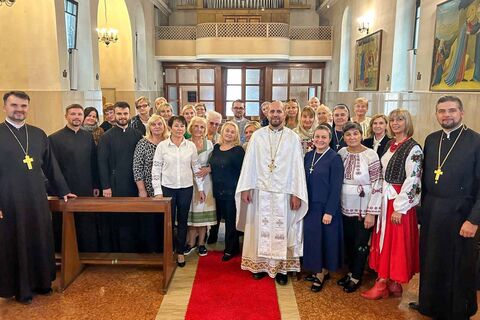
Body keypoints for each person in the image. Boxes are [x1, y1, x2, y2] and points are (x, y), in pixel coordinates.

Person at [0, 91, 75, 304]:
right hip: (8, 200)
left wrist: (62, 190)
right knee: (16, 242)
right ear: (5, 106)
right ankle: (20, 288)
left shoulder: (38, 134)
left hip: (36, 198)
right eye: (14, 105)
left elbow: (51, 166)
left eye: (23, 106)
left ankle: (42, 283)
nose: (19, 110)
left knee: (40, 238)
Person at [412, 96, 480, 319]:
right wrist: (421, 211)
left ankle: (459, 309)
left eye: (451, 110)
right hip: (433, 211)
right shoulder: (432, 140)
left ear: (461, 113)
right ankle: (430, 305)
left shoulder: (476, 142)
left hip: (461, 213)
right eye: (441, 111)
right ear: (436, 114)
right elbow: (423, 180)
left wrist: (474, 220)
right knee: (432, 260)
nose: (446, 115)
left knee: (459, 263)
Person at [235, 100, 308, 285]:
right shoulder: (257, 136)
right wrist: (246, 188)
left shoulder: (293, 138)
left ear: (285, 114)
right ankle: (259, 266)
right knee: (260, 228)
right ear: (267, 114)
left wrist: (296, 193)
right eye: (272, 111)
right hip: (261, 192)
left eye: (279, 111)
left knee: (282, 230)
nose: (275, 114)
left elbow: (297, 167)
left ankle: (281, 269)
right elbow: (249, 164)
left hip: (284, 194)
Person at [362, 108, 422, 300]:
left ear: (407, 122)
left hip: (398, 201)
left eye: (400, 120)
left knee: (395, 241)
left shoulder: (413, 148)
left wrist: (400, 207)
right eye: (393, 120)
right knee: (385, 239)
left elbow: (413, 179)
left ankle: (383, 283)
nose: (395, 123)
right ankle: (391, 283)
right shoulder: (390, 143)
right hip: (385, 198)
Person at [152, 115, 205, 267]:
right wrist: (157, 191)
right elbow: (156, 169)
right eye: (176, 125)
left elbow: (196, 167)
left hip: (185, 188)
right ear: (170, 127)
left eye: (182, 126)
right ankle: (169, 251)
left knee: (182, 221)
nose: (179, 129)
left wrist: (200, 188)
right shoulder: (162, 146)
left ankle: (180, 252)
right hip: (167, 188)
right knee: (168, 221)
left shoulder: (190, 146)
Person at [336, 122, 382, 293]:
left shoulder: (371, 155)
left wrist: (372, 212)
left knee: (361, 243)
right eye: (348, 135)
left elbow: (378, 183)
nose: (352, 137)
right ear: (344, 137)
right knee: (348, 242)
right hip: (344, 206)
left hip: (363, 207)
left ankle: (356, 276)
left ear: (361, 135)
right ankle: (350, 272)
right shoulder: (341, 153)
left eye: (355, 134)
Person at [49, 104, 100, 253]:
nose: (76, 117)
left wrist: (96, 185)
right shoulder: (54, 138)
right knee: (64, 224)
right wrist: (60, 188)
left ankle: (87, 254)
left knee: (86, 223)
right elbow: (52, 167)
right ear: (66, 116)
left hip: (86, 187)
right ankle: (64, 254)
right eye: (73, 114)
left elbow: (93, 162)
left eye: (79, 114)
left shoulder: (88, 136)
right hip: (64, 189)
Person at [97, 101, 143, 252]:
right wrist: (106, 186)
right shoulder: (107, 137)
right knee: (118, 217)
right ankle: (118, 250)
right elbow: (102, 163)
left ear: (129, 114)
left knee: (134, 216)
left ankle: (134, 248)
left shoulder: (137, 135)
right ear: (114, 115)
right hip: (115, 184)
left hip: (134, 183)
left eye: (125, 114)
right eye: (119, 114)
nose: (122, 117)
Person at [303, 125, 344, 292]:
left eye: (324, 137)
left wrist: (329, 211)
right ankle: (318, 269)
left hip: (325, 206)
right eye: (317, 137)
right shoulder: (308, 156)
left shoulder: (334, 158)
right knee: (313, 239)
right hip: (310, 205)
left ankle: (321, 273)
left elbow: (336, 187)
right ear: (313, 138)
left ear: (329, 139)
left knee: (324, 240)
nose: (320, 140)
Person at [133, 115, 170, 253]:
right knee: (150, 221)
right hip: (148, 187)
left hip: (167, 186)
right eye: (153, 124)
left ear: (164, 125)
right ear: (149, 127)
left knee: (165, 220)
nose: (157, 127)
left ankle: (165, 248)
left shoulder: (169, 142)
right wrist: (141, 189)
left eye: (159, 124)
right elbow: (137, 167)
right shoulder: (143, 143)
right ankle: (151, 249)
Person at [209, 121, 245, 261]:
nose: (229, 133)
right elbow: (214, 165)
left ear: (236, 134)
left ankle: (231, 249)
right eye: (227, 130)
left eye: (232, 131)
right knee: (216, 217)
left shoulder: (238, 150)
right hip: (217, 189)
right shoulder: (216, 147)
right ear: (222, 132)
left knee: (230, 221)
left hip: (231, 190)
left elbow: (243, 171)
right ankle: (212, 239)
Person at [185, 116, 216, 257]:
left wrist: (208, 169)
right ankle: (191, 243)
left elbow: (215, 162)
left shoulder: (209, 144)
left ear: (205, 129)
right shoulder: (185, 143)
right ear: (191, 128)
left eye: (202, 127)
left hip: (206, 182)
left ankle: (202, 243)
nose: (198, 129)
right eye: (196, 126)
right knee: (190, 212)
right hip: (189, 182)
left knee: (203, 213)